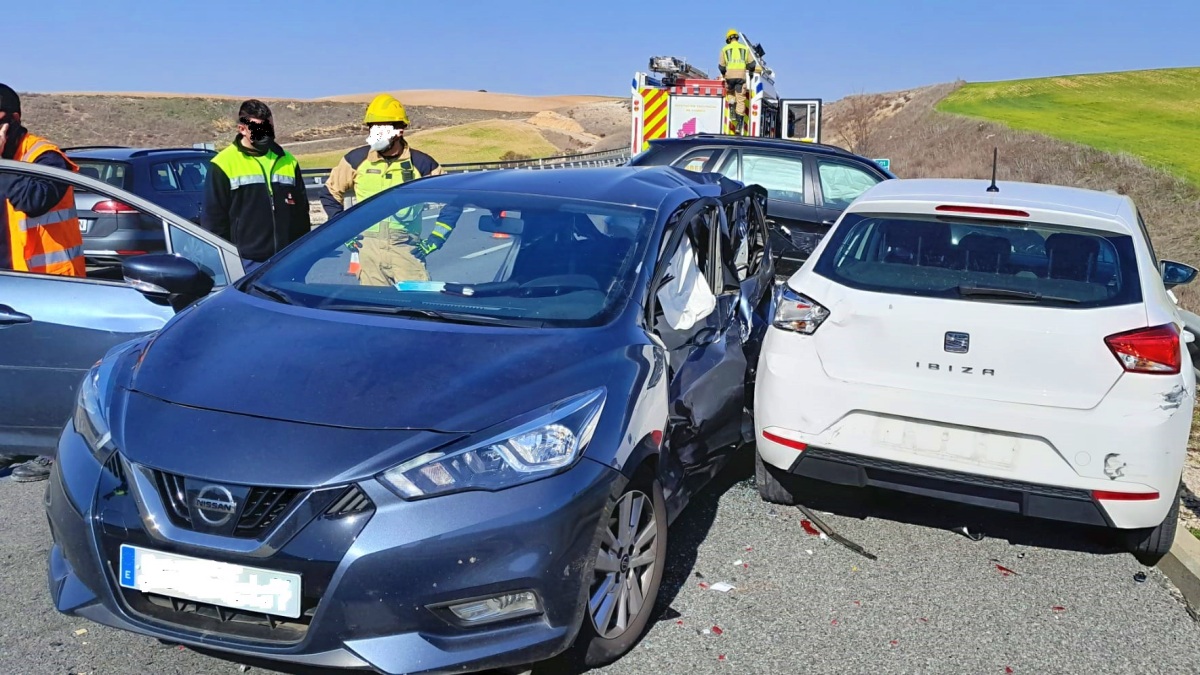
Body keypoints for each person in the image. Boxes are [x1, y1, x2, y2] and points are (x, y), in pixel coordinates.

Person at [0, 83, 86, 481]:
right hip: (9, 284)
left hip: (50, 285)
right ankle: (11, 441)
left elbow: (35, 200)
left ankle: (53, 448)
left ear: (12, 120)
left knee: (52, 370)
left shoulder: (42, 155)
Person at [320, 93, 460, 286]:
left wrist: (437, 237)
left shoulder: (422, 164)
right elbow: (330, 192)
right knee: (373, 312)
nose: (376, 133)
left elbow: (455, 199)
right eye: (372, 127)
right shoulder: (356, 160)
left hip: (406, 250)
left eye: (382, 128)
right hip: (368, 253)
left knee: (416, 311)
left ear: (399, 130)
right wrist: (342, 231)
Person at [201, 99, 310, 273]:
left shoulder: (288, 160)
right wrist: (228, 261)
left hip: (288, 260)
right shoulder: (223, 164)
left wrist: (303, 253)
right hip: (246, 263)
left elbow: (301, 214)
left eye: (269, 128)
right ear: (242, 129)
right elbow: (213, 221)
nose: (266, 134)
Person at [718, 29, 758, 135]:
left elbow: (721, 66)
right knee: (740, 100)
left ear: (728, 39)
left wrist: (724, 75)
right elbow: (752, 64)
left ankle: (731, 108)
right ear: (737, 38)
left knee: (730, 93)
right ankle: (739, 126)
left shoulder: (724, 49)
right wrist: (751, 73)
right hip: (741, 77)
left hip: (729, 77)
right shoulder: (745, 48)